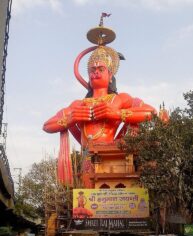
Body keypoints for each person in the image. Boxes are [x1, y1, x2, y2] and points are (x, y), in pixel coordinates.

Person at [43, 15, 169, 187]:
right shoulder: (79, 105)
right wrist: (71, 119)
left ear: (111, 75)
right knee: (87, 201)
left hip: (113, 155)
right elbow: (48, 125)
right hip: (88, 157)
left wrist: (118, 114)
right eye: (92, 70)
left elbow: (151, 113)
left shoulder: (120, 99)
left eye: (101, 69)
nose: (95, 72)